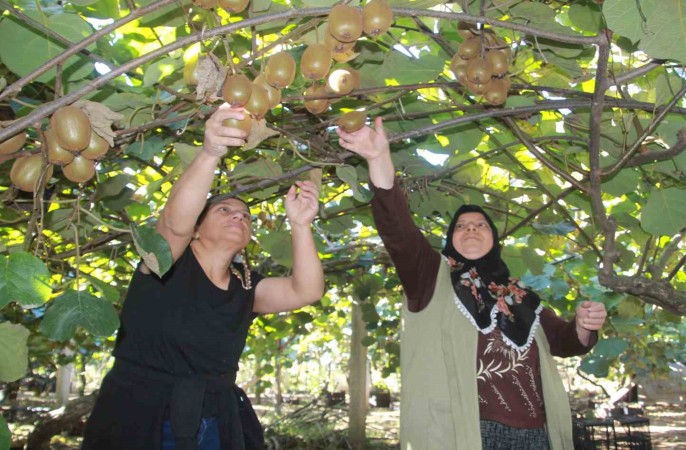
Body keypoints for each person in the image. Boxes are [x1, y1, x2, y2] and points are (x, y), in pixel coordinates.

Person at [337, 117, 607, 450]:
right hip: (466, 435)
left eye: (481, 225)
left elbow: (565, 341)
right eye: (462, 226)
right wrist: (378, 159)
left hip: (536, 435)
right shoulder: (429, 277)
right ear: (451, 239)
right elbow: (399, 232)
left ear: (494, 239)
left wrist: (584, 325)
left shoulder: (520, 295)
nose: (471, 229)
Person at [82, 105, 324, 450]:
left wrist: (300, 224)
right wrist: (210, 151)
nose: (238, 217)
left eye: (245, 215)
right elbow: (174, 223)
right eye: (224, 210)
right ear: (196, 230)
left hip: (211, 419)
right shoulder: (165, 263)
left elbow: (307, 290)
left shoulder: (246, 284)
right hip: (139, 414)